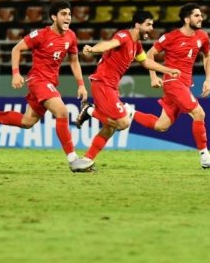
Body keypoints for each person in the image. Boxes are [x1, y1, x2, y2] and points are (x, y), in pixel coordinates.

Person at [0, 0, 93, 172]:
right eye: (63, 14)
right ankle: (73, 160)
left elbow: (74, 60)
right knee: (62, 111)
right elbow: (16, 49)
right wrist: (16, 73)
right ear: (54, 17)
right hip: (38, 80)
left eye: (69, 14)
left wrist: (81, 85)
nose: (68, 17)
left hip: (50, 82)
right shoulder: (40, 35)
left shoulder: (71, 36)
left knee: (27, 122)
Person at [128, 3, 210, 169]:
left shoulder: (202, 37)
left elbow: (207, 56)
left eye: (201, 15)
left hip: (185, 85)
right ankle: (205, 157)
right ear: (187, 19)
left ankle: (127, 111)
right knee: (199, 113)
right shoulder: (170, 37)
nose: (201, 18)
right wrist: (153, 76)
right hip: (172, 83)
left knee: (162, 126)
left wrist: (208, 79)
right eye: (197, 15)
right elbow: (149, 54)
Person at [75, 10, 181, 165]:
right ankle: (89, 110)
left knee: (110, 127)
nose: (151, 28)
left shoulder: (136, 46)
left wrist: (168, 70)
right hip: (103, 83)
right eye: (148, 24)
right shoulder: (124, 36)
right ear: (137, 25)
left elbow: (146, 62)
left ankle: (86, 160)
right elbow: (109, 44)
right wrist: (93, 49)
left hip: (110, 87)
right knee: (123, 122)